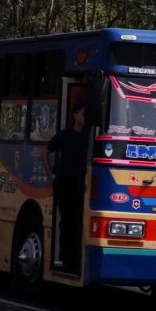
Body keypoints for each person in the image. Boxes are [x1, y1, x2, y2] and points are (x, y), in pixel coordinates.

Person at [42, 103, 88, 273]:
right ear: (75, 115)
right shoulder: (65, 135)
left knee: (77, 222)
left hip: (80, 183)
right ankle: (65, 259)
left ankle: (75, 260)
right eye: (82, 113)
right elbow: (45, 151)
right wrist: (51, 175)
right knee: (67, 221)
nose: (85, 117)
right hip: (64, 182)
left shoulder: (89, 136)